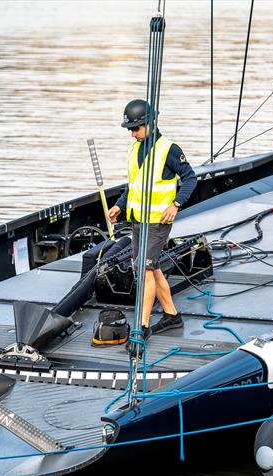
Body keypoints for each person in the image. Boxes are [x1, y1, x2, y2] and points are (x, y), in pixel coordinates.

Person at [107, 99, 197, 337]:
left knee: (145, 270)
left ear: (149, 123)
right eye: (130, 129)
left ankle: (142, 326)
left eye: (135, 128)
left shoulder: (169, 149)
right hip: (138, 220)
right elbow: (135, 186)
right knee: (150, 268)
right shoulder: (136, 148)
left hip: (158, 221)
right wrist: (119, 205)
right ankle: (171, 315)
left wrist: (176, 204)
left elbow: (190, 179)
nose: (132, 134)